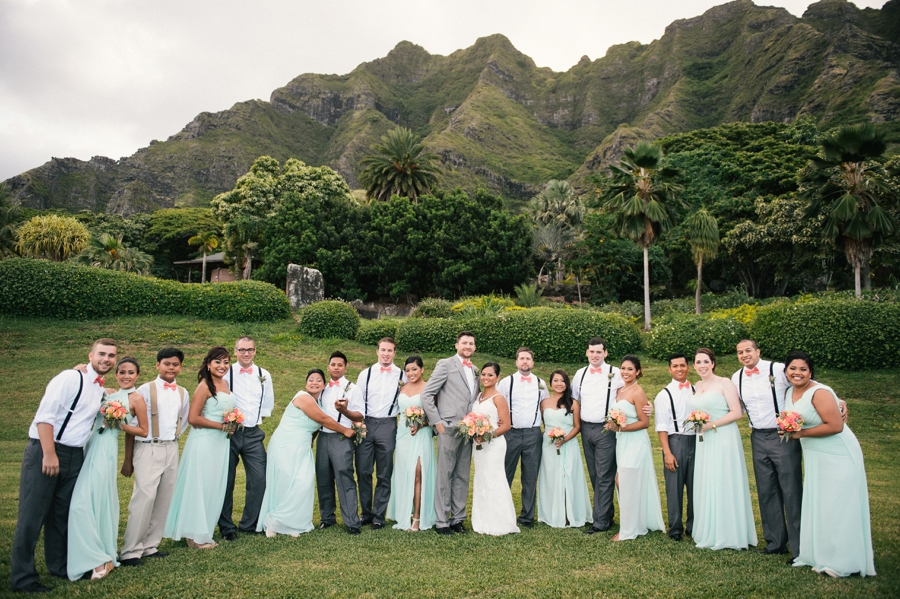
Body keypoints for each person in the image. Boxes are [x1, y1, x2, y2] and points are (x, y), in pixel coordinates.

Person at [10, 339, 117, 594]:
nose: (107, 359)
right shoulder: (70, 378)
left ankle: (59, 567)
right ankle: (23, 578)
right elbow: (44, 417)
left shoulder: (97, 387)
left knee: (61, 515)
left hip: (74, 455)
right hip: (47, 450)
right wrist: (49, 454)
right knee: (32, 515)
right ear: (90, 355)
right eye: (102, 354)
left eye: (112, 356)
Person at [782, 351, 874, 577]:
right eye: (793, 368)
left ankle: (841, 562)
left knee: (839, 506)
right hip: (816, 455)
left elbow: (835, 426)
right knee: (822, 504)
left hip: (838, 454)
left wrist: (800, 433)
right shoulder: (788, 391)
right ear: (786, 371)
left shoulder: (819, 391)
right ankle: (817, 554)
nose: (797, 373)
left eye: (803, 369)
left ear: (811, 372)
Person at [67, 357, 149, 581]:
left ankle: (101, 556)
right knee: (89, 501)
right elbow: (86, 382)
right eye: (122, 372)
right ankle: (91, 551)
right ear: (116, 374)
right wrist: (79, 369)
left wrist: (118, 422)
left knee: (81, 504)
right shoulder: (108, 393)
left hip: (105, 451)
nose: (126, 376)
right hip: (88, 445)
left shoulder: (137, 398)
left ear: (137, 376)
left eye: (131, 373)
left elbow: (143, 430)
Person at [257, 369, 355, 537]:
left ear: (324, 385)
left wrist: (313, 438)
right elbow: (323, 420)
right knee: (286, 482)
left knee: (303, 482)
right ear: (305, 383)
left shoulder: (320, 404)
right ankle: (274, 522)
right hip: (285, 444)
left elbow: (316, 425)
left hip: (302, 447)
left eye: (318, 380)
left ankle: (293, 524)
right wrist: (345, 430)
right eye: (311, 379)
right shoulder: (303, 397)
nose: (314, 382)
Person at [120, 348, 191, 567]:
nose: (171, 368)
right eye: (167, 363)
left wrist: (173, 440)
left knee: (164, 498)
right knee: (144, 498)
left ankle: (150, 545)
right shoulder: (144, 389)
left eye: (175, 364)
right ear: (157, 365)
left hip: (171, 447)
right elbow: (131, 426)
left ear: (180, 367)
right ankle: (131, 550)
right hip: (148, 447)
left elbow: (184, 420)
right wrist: (128, 459)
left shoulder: (183, 392)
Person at [163, 346, 236, 549]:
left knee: (212, 485)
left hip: (220, 443)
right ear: (208, 364)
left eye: (226, 362)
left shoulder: (226, 383)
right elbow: (193, 418)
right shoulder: (205, 385)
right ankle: (193, 536)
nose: (222, 366)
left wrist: (232, 423)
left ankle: (202, 530)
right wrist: (221, 426)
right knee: (199, 485)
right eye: (218, 362)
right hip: (204, 441)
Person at [691, 348, 757, 551]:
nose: (702, 365)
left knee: (723, 480)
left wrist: (711, 425)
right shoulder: (697, 385)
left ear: (713, 363)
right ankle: (709, 530)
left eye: (705, 361)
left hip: (724, 437)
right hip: (704, 440)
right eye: (698, 362)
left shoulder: (724, 383)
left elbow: (737, 412)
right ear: (694, 365)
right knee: (708, 480)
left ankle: (729, 533)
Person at [421, 331, 479, 535]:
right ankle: (442, 520)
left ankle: (458, 518)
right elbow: (427, 394)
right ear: (457, 345)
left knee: (462, 475)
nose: (468, 346)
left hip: (468, 430)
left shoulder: (476, 370)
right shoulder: (445, 364)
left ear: (474, 347)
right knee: (445, 474)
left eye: (471, 343)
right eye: (464, 343)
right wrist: (437, 422)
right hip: (448, 427)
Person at [219, 336, 274, 541]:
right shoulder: (226, 373)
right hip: (230, 433)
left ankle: (249, 523)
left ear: (255, 351)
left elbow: (268, 404)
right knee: (227, 480)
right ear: (235, 351)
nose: (246, 353)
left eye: (249, 350)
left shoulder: (263, 374)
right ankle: (226, 526)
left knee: (259, 479)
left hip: (253, 433)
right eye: (242, 350)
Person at [606, 356, 664, 541]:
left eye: (630, 369)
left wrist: (620, 427)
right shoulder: (619, 390)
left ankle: (629, 530)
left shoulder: (638, 391)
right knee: (621, 482)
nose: (625, 372)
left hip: (636, 441)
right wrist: (612, 424)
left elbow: (644, 422)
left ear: (638, 371)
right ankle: (633, 522)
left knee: (624, 482)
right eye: (623, 368)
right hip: (622, 442)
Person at [571, 337, 623, 534]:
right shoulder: (580, 373)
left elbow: (625, 395)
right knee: (594, 473)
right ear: (587, 352)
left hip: (605, 428)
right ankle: (606, 514)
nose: (595, 355)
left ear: (605, 353)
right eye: (592, 352)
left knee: (604, 474)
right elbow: (575, 400)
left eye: (599, 352)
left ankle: (599, 522)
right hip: (586, 428)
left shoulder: (615, 373)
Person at [354, 338, 405, 529]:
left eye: (390, 350)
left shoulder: (402, 374)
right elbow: (357, 401)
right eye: (383, 350)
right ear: (377, 351)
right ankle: (366, 513)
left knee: (384, 472)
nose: (386, 354)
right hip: (366, 422)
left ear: (394, 353)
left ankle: (379, 515)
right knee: (364, 470)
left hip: (388, 424)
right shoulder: (365, 374)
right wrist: (359, 424)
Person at [497, 347, 548, 528]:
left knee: (530, 477)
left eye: (528, 359)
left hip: (533, 434)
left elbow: (545, 407)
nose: (525, 362)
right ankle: (502, 513)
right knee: (505, 474)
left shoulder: (541, 383)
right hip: (511, 433)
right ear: (516, 362)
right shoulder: (505, 382)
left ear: (532, 362)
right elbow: (497, 405)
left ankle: (527, 517)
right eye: (522, 359)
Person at [315, 351, 364, 535]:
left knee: (344, 478)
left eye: (340, 365)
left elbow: (360, 414)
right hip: (323, 437)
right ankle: (327, 518)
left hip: (341, 438)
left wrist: (344, 411)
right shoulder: (322, 387)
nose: (336, 367)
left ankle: (352, 521)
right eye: (333, 364)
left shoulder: (353, 388)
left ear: (345, 367)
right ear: (328, 367)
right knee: (323, 478)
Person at [386, 356, 437, 531]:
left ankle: (417, 517)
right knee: (404, 473)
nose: (410, 373)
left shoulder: (429, 389)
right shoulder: (401, 388)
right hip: (403, 435)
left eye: (414, 369)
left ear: (422, 369)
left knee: (418, 474)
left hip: (421, 434)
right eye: (407, 370)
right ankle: (403, 513)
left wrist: (421, 424)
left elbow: (435, 416)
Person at [537, 369, 591, 529]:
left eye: (562, 381)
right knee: (551, 477)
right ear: (551, 383)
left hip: (568, 444)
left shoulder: (573, 402)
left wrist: (564, 439)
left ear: (567, 384)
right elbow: (543, 425)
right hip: (548, 445)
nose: (559, 384)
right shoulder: (544, 403)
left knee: (568, 477)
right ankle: (552, 513)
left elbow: (577, 426)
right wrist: (550, 437)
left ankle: (570, 514)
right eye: (555, 380)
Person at [471, 363, 519, 536]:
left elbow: (506, 425)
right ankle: (482, 521)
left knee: (494, 479)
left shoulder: (498, 398)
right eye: (483, 374)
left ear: (498, 377)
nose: (486, 378)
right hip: (478, 445)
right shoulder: (478, 396)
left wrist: (487, 436)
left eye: (490, 375)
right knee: (481, 478)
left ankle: (500, 522)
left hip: (494, 445)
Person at [653, 353, 696, 542]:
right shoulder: (664, 395)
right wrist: (667, 453)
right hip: (675, 441)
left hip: (697, 441)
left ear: (688, 367)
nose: (679, 369)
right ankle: (676, 528)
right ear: (669, 369)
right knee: (674, 487)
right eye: (675, 366)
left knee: (696, 487)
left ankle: (694, 526)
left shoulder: (696, 390)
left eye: (683, 365)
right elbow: (661, 427)